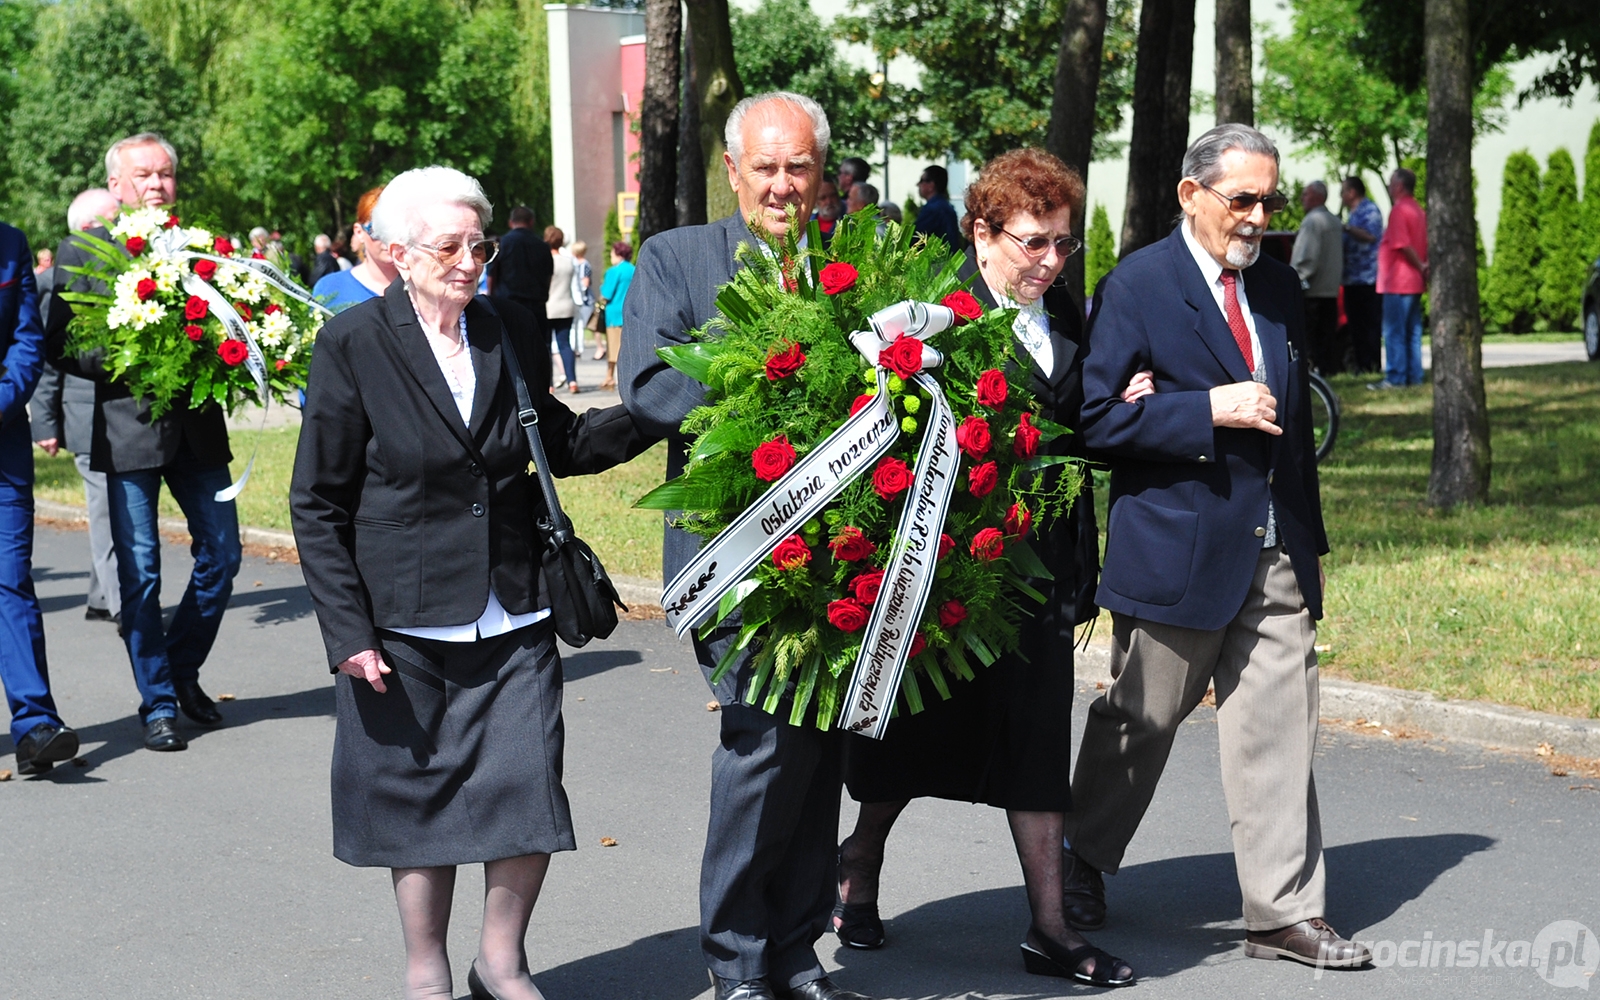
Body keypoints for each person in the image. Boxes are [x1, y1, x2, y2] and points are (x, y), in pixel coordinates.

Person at [290, 165, 652, 1000]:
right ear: (398, 253)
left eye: (477, 243)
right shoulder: (352, 343)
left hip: (514, 605)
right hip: (402, 622)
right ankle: (427, 969)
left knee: (526, 785)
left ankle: (501, 960)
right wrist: (349, 635)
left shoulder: (503, 328)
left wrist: (653, 412)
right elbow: (316, 502)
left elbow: (556, 442)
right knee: (415, 804)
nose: (467, 260)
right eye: (447, 246)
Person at [1066, 123, 1371, 971]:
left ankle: (1282, 914)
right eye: (1242, 199)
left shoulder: (1276, 286)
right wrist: (1205, 408)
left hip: (1273, 553)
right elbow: (1094, 419)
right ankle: (1079, 857)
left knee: (1280, 732)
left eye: (1269, 200)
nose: (1258, 216)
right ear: (1190, 194)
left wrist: (1308, 551)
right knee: (1140, 720)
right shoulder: (1138, 285)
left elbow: (1297, 426)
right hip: (1177, 552)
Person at [834, 149, 1132, 988]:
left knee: (1038, 744)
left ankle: (1050, 927)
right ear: (982, 231)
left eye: (1063, 246)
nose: (1048, 262)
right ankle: (858, 864)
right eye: (1033, 243)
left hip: (1037, 574)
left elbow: (1078, 426)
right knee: (912, 744)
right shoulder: (936, 316)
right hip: (948, 570)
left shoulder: (1062, 312)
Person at [620, 91, 877, 1000]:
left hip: (845, 556)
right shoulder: (676, 259)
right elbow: (648, 385)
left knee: (818, 748)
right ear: (732, 170)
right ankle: (735, 956)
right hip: (732, 553)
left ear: (823, 174)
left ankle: (795, 946)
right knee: (763, 740)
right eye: (764, 167)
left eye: (798, 167)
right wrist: (768, 404)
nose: (781, 186)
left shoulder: (854, 267)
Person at [43, 131, 240, 754]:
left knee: (224, 554)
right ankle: (157, 702)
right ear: (116, 186)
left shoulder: (200, 250)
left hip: (199, 431)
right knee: (142, 575)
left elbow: (232, 319)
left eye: (165, 175)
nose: (157, 185)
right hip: (127, 432)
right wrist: (140, 352)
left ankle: (181, 671)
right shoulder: (81, 250)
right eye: (144, 175)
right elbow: (62, 345)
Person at [1, 219, 79, 776]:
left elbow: (27, 339)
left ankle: (35, 726)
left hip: (2, 442)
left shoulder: (10, 243)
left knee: (10, 581)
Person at [33, 188, 126, 626]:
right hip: (86, 414)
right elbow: (52, 357)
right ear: (88, 228)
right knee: (107, 514)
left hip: (114, 414)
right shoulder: (58, 278)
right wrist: (45, 422)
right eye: (111, 218)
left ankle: (101, 596)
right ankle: (124, 608)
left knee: (112, 512)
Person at [1372, 168, 1427, 390]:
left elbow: (1402, 244)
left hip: (1398, 280)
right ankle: (1414, 376)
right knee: (1413, 332)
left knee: (1394, 331)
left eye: (1391, 182)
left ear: (1399, 186)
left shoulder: (1399, 211)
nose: (1388, 186)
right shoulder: (1418, 210)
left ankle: (1396, 377)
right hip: (1414, 282)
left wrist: (1420, 264)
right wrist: (1423, 268)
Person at [312, 186, 397, 313]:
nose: (389, 239)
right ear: (359, 232)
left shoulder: (425, 287)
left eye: (397, 230)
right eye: (377, 231)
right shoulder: (330, 288)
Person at [1290, 181, 1344, 373]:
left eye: (1305, 194)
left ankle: (1313, 372)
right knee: (1327, 336)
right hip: (1330, 289)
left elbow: (1306, 257)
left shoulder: (1313, 221)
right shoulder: (1334, 220)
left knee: (1311, 338)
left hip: (1312, 289)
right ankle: (1329, 370)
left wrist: (1293, 279)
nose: (1302, 198)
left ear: (1317, 197)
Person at [1339, 177, 1383, 375]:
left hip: (1367, 278)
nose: (1341, 196)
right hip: (1352, 279)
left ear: (1352, 192)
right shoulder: (1353, 213)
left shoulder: (1370, 211)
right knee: (1356, 326)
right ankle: (1361, 365)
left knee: (1370, 325)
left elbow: (1371, 235)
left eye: (1343, 191)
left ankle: (1372, 365)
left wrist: (1347, 229)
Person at [544, 227, 579, 394]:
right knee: (565, 344)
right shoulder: (568, 261)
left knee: (546, 346)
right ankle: (572, 381)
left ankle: (548, 383)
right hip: (566, 304)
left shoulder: (545, 260)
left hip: (548, 305)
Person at [597, 241, 633, 390]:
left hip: (613, 313)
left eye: (612, 253)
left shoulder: (614, 271)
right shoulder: (633, 269)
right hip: (630, 312)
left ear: (618, 254)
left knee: (613, 347)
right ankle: (615, 376)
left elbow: (606, 293)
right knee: (627, 346)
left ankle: (611, 377)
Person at [912, 165, 962, 250]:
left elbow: (915, 238)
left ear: (931, 185)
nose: (917, 184)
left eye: (922, 180)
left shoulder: (933, 209)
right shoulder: (946, 207)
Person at [569, 240, 594, 358]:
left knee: (579, 324)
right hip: (578, 296)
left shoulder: (583, 264)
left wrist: (580, 294)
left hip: (583, 298)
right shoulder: (574, 263)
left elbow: (585, 282)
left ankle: (578, 347)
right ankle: (575, 347)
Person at [811, 179, 843, 244]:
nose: (829, 201)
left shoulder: (850, 223)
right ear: (815, 201)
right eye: (823, 198)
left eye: (833, 195)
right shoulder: (807, 225)